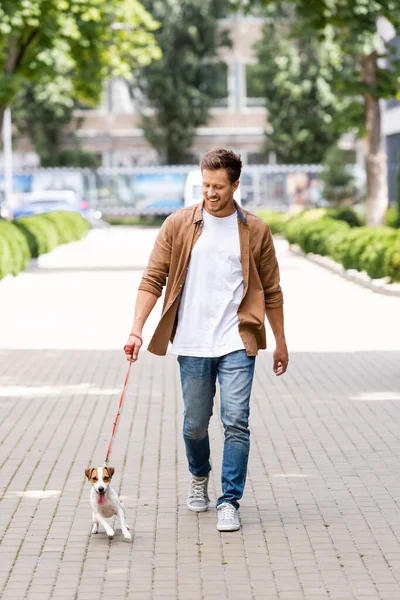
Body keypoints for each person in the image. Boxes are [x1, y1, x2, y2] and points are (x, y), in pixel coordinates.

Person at [124, 148, 288, 532]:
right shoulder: (179, 224)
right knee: (195, 425)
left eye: (218, 186)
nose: (210, 193)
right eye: (205, 185)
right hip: (193, 341)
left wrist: (280, 341)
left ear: (235, 184)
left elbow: (273, 291)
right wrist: (136, 328)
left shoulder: (255, 230)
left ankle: (229, 500)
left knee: (236, 423)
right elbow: (152, 279)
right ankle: (199, 474)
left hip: (236, 339)